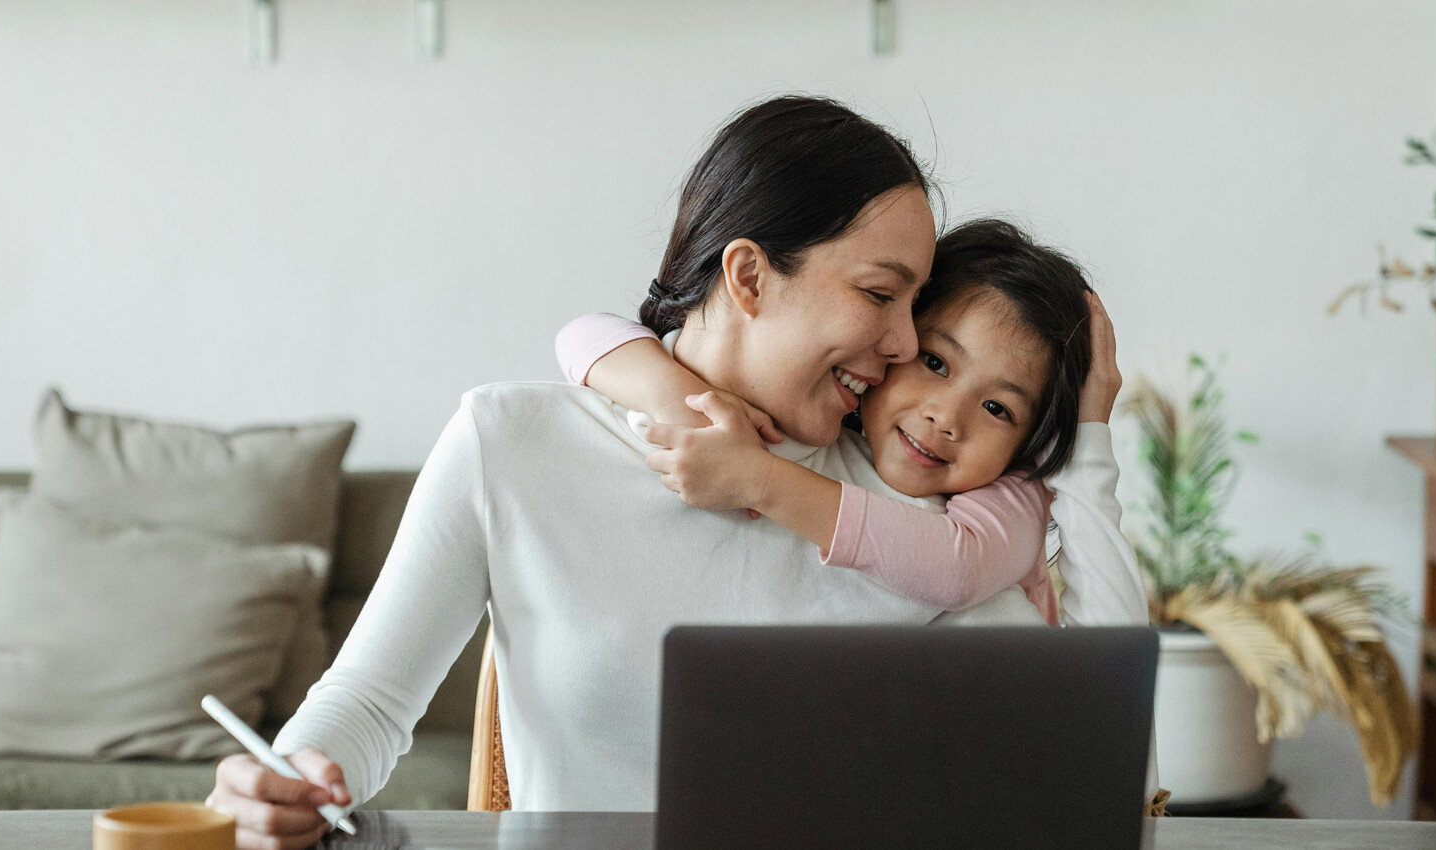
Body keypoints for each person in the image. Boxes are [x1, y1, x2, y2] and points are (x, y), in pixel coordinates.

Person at [204, 96, 1148, 850]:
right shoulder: (513, 442)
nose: (903, 345)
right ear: (747, 277)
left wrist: (1091, 445)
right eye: (878, 295)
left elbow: (1099, 764)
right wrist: (286, 778)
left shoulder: (910, 509)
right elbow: (369, 703)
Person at [553, 219, 1123, 625]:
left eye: (999, 409)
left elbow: (958, 566)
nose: (946, 418)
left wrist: (760, 480)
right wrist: (678, 398)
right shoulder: (831, 423)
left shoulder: (1011, 492)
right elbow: (583, 333)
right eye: (935, 362)